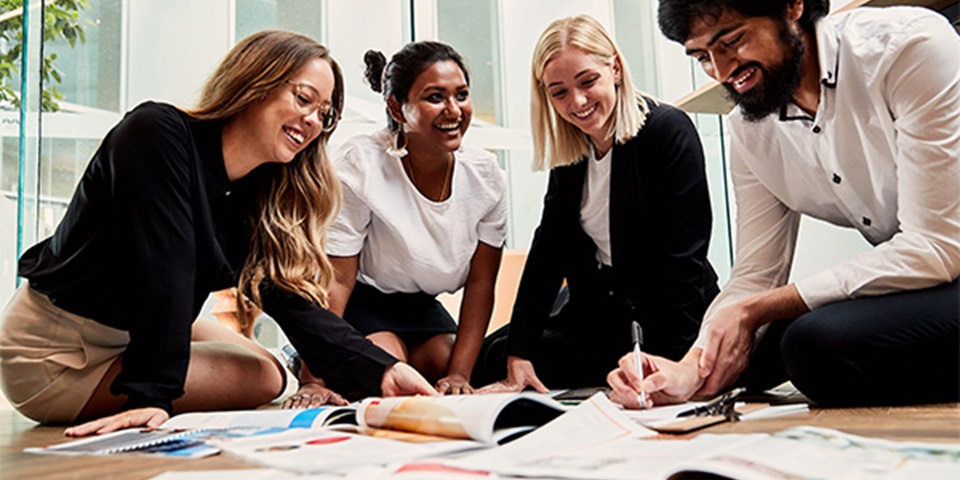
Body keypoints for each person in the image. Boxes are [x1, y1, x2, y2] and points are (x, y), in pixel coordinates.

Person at [0, 30, 435, 434]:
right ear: (254, 82)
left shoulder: (251, 198)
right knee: (265, 378)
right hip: (54, 355)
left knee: (271, 368)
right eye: (304, 98)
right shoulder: (154, 133)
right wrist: (153, 395)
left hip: (133, 331)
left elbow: (289, 302)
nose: (314, 121)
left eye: (325, 113)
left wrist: (383, 371)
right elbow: (167, 264)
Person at [608, 0, 960, 408]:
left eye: (733, 41)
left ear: (793, 5)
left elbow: (935, 247)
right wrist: (690, 368)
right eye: (702, 56)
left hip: (946, 258)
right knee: (748, 355)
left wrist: (756, 308)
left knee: (812, 344)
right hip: (927, 278)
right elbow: (757, 272)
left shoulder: (909, 48)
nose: (722, 72)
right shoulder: (748, 127)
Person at [472, 14, 719, 392]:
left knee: (639, 371)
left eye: (588, 82)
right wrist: (518, 356)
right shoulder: (574, 150)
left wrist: (674, 366)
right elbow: (548, 251)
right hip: (599, 313)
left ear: (615, 69)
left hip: (668, 313)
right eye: (559, 92)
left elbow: (683, 259)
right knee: (494, 358)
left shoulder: (667, 131)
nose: (578, 102)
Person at [284, 41, 507, 408]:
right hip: (362, 300)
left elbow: (481, 285)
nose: (453, 110)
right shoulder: (361, 163)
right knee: (385, 375)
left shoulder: (487, 177)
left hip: (422, 306)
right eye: (435, 97)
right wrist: (314, 379)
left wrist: (459, 375)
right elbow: (337, 280)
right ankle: (303, 356)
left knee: (445, 373)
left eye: (461, 95)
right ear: (396, 107)